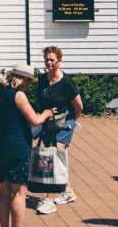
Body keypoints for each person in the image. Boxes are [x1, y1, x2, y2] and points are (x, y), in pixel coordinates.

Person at [28, 44, 83, 216]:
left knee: (53, 158)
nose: (49, 63)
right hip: (47, 123)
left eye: (52, 60)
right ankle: (67, 191)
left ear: (59, 61)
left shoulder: (66, 82)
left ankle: (49, 199)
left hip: (64, 123)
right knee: (54, 159)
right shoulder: (43, 79)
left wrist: (72, 122)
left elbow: (78, 106)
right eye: (46, 60)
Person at [0, 65, 40, 227]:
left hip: (1, 145)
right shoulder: (19, 96)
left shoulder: (2, 95)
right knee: (20, 192)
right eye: (29, 81)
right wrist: (46, 114)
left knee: (4, 190)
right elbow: (34, 120)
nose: (29, 85)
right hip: (18, 146)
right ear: (22, 79)